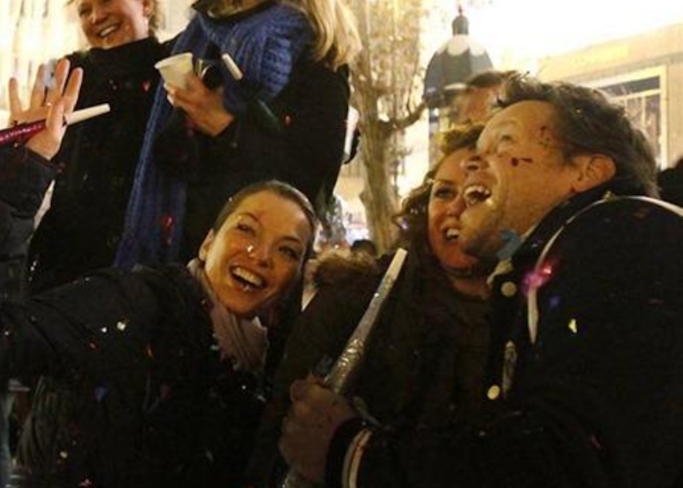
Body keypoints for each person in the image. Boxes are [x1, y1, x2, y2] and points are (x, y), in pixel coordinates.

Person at [0, 60, 319, 488]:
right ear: (207, 243)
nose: (260, 255)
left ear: (297, 276)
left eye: (287, 250)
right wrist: (17, 176)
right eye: (246, 230)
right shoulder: (135, 305)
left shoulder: (280, 378)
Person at [279, 76, 683, 488]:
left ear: (586, 171)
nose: (474, 161)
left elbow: (568, 460)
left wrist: (353, 453)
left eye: (504, 142)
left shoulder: (621, 233)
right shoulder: (547, 271)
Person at [116, 0, 361, 268]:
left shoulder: (319, 51)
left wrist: (227, 129)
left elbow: (312, 185)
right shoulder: (199, 34)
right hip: (175, 258)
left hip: (255, 268)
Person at [246, 124, 492, 486]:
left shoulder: (532, 320)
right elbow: (276, 441)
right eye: (443, 192)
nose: (456, 208)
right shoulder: (354, 298)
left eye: (477, 194)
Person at [4, 0, 169, 488]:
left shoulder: (175, 70)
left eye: (109, 0)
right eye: (85, 10)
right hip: (71, 273)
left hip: (148, 273)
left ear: (145, 3)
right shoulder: (68, 77)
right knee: (59, 441)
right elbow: (31, 170)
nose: (97, 16)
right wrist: (21, 146)